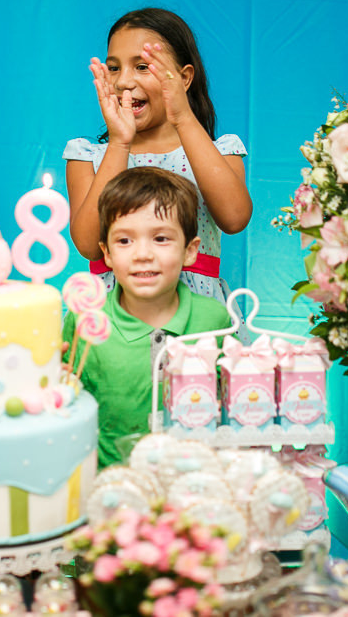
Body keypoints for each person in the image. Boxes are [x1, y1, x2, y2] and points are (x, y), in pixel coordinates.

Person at [64, 7, 252, 312]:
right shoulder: (87, 157)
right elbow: (89, 245)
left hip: (195, 320)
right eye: (114, 68)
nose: (123, 81)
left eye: (142, 66)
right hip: (114, 320)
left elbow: (235, 218)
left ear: (184, 77)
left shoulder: (220, 152)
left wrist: (183, 117)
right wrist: (119, 142)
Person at [62, 167, 232, 468]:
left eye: (161, 238)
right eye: (124, 241)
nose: (142, 254)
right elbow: (67, 404)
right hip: (110, 482)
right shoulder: (86, 323)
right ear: (106, 253)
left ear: (190, 250)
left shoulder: (214, 319)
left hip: (194, 481)